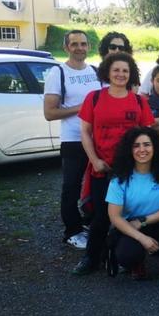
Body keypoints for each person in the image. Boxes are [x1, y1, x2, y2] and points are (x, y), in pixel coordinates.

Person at [73, 52, 155, 275]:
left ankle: (127, 256)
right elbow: (85, 132)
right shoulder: (94, 98)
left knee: (129, 213)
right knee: (101, 216)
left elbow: (147, 135)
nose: (120, 74)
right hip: (103, 168)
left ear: (131, 75)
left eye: (125, 71)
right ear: (108, 72)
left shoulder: (139, 101)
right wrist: (94, 160)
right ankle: (92, 257)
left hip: (132, 169)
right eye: (116, 70)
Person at [106, 127, 159, 291]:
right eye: (136, 146)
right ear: (129, 150)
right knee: (127, 255)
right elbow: (115, 217)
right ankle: (137, 264)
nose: (142, 150)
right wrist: (142, 238)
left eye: (147, 145)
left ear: (155, 147)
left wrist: (143, 221)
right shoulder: (120, 177)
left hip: (158, 221)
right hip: (131, 227)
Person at [43, 30, 102, 249]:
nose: (80, 48)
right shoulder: (58, 73)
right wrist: (83, 108)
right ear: (66, 47)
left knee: (97, 185)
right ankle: (72, 231)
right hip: (73, 140)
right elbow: (49, 112)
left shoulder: (95, 71)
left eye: (83, 44)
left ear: (89, 47)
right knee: (71, 187)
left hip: (97, 140)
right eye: (74, 44)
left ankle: (91, 223)